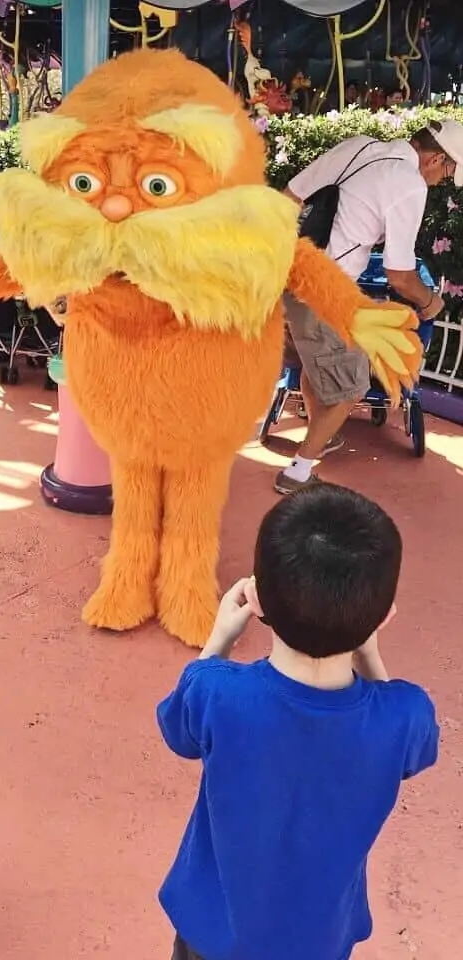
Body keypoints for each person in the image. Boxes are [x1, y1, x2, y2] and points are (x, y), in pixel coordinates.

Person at [158, 482, 439, 960]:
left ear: (257, 601)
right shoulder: (405, 714)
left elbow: (177, 730)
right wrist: (368, 651)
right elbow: (414, 750)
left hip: (212, 935)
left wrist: (219, 639)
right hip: (321, 940)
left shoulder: (216, 691)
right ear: (384, 616)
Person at [275, 118, 463, 494]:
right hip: (328, 292)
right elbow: (399, 275)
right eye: (448, 172)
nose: (443, 182)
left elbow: (289, 197)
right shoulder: (407, 183)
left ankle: (320, 436)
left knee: (320, 363)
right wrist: (430, 302)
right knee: (350, 389)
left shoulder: (359, 146)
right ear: (435, 158)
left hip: (290, 276)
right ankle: (297, 472)